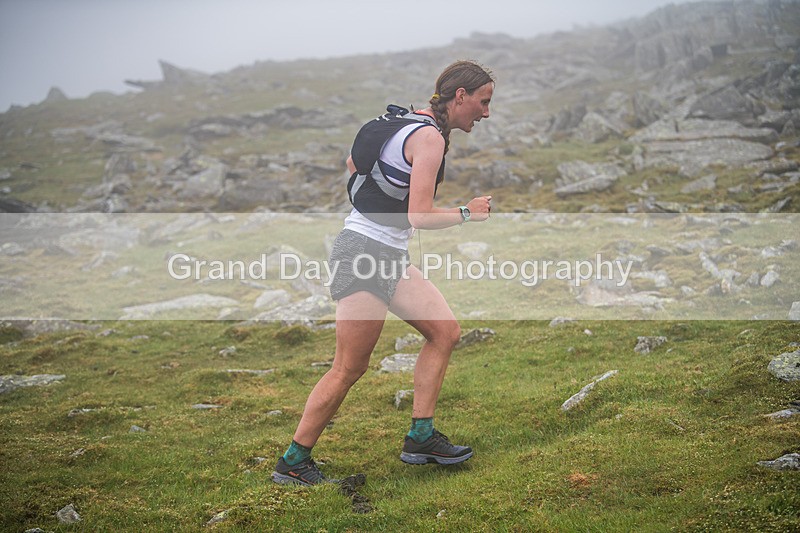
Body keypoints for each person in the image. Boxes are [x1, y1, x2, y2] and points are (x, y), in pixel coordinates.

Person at [272, 60, 495, 486]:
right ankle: (293, 461)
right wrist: (468, 213)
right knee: (349, 368)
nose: (486, 112)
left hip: (387, 254)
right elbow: (421, 215)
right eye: (483, 102)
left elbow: (354, 165)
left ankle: (421, 437)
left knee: (444, 332)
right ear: (460, 96)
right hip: (363, 255)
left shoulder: (405, 124)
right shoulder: (428, 137)